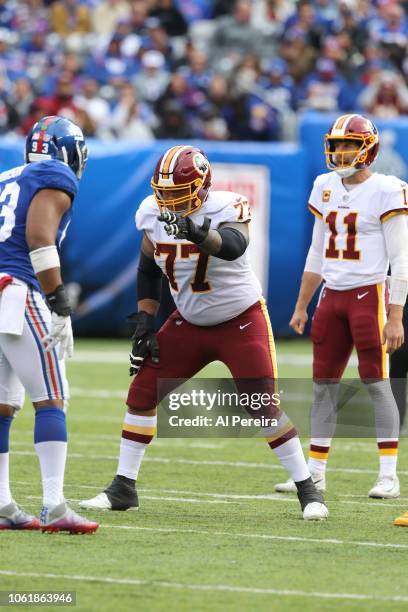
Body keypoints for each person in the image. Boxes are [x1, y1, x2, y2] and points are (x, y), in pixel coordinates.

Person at [80, 144, 328, 521]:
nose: (168, 202)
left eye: (177, 194)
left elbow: (234, 246)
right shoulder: (151, 212)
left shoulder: (228, 206)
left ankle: (308, 490)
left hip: (240, 319)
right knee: (142, 392)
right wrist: (146, 320)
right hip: (190, 320)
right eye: (163, 193)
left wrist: (198, 234)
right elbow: (147, 267)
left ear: (201, 187)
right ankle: (123, 488)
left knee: (261, 405)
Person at [274, 114, 408, 500]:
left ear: (368, 148)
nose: (340, 151)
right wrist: (302, 304)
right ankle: (315, 473)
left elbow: (400, 259)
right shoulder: (324, 185)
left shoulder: (388, 189)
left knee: (378, 384)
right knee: (323, 388)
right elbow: (317, 251)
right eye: (337, 144)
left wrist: (396, 314)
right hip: (332, 296)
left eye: (348, 144)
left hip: (369, 296)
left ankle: (388, 475)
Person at [0, 115, 99, 534]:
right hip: (17, 291)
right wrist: (58, 303)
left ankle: (3, 504)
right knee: (52, 398)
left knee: (3, 405)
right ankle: (54, 505)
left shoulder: (8, 175)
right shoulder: (54, 173)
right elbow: (40, 238)